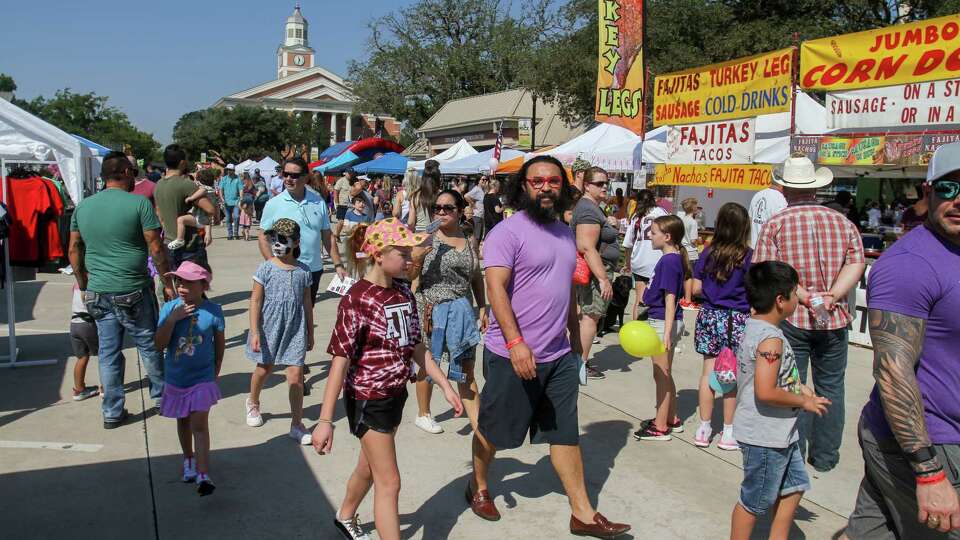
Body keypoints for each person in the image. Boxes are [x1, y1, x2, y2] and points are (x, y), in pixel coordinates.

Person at [468, 155, 630, 538]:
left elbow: (566, 293)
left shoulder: (564, 233)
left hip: (558, 356)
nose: (545, 187)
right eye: (537, 181)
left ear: (563, 186)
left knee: (564, 433)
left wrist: (575, 341)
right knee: (495, 431)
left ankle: (583, 514)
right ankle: (479, 485)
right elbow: (496, 291)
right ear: (523, 186)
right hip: (513, 354)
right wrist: (516, 343)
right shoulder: (507, 233)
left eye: (553, 181)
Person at [312, 218, 463, 540]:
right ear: (378, 254)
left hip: (396, 394)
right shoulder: (357, 298)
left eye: (412, 253)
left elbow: (416, 347)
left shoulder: (404, 292)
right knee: (390, 482)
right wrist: (325, 420)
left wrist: (445, 385)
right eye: (404, 254)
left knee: (369, 468)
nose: (412, 260)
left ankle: (345, 515)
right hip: (369, 398)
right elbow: (339, 361)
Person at [845, 143, 960, 539]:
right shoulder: (911, 264)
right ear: (927, 193)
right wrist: (929, 471)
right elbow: (893, 371)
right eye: (948, 188)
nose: (957, 200)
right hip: (933, 442)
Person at [754, 155, 865, 472]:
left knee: (791, 384)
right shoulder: (843, 222)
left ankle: (790, 451)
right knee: (832, 388)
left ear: (786, 188)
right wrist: (832, 295)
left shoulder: (776, 224)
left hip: (792, 318)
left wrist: (803, 295)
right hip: (834, 319)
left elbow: (768, 271)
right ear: (815, 188)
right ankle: (826, 455)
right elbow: (856, 263)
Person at [68, 151, 173, 429]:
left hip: (98, 291)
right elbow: (155, 245)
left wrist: (82, 283)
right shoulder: (139, 204)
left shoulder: (83, 207)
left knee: (108, 352)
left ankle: (112, 411)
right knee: (149, 346)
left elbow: (74, 249)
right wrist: (167, 281)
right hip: (133, 288)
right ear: (126, 173)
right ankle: (162, 398)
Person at [730, 261, 831, 540]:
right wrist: (804, 401)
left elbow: (774, 378)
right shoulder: (770, 340)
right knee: (754, 502)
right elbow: (765, 391)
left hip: (780, 434)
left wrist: (800, 388)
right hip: (764, 436)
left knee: (794, 485)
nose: (798, 298)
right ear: (780, 300)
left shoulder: (758, 328)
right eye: (794, 293)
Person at [412, 190, 487, 434]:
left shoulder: (468, 239)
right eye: (437, 208)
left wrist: (483, 306)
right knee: (428, 361)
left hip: (462, 311)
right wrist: (419, 255)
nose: (442, 212)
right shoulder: (426, 239)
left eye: (448, 208)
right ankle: (423, 413)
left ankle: (478, 420)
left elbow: (475, 276)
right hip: (430, 308)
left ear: (459, 211)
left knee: (466, 364)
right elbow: (411, 277)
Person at [154, 261, 224, 496]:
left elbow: (219, 344)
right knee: (183, 421)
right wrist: (173, 319)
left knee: (199, 425)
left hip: (202, 378)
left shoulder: (214, 311)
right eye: (179, 281)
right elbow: (159, 344)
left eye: (188, 282)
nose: (182, 287)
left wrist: (215, 371)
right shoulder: (169, 309)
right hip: (177, 378)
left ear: (203, 285)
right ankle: (188, 459)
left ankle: (204, 474)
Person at [245, 218, 315, 444]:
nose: (277, 243)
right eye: (273, 238)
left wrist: (310, 333)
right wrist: (255, 331)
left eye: (283, 239)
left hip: (295, 328)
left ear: (295, 242)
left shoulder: (304, 271)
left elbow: (306, 303)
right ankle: (253, 403)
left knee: (295, 375)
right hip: (269, 326)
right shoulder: (265, 268)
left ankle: (296, 423)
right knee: (264, 368)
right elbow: (255, 301)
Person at [691, 202, 752, 450]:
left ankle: (704, 427)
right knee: (731, 374)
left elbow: (695, 288)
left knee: (708, 372)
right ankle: (728, 431)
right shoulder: (748, 255)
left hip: (709, 314)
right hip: (737, 318)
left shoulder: (708, 252)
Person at [258, 157, 346, 307]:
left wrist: (338, 265)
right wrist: (273, 263)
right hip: (285, 270)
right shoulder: (273, 204)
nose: (288, 179)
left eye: (294, 175)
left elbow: (327, 237)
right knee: (285, 314)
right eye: (286, 174)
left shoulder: (318, 202)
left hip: (313, 270)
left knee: (307, 314)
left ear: (305, 178)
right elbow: (263, 238)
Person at [634, 215, 690, 441]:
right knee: (666, 374)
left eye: (653, 232)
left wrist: (666, 333)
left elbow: (670, 298)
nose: (649, 235)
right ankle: (671, 417)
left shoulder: (668, 261)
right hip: (667, 322)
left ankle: (660, 426)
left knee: (661, 375)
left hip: (662, 323)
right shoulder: (673, 258)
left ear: (667, 237)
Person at [572, 167, 619, 380]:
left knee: (588, 316)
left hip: (597, 270)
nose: (604, 187)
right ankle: (579, 364)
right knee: (591, 317)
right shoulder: (589, 210)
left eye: (606, 183)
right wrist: (602, 279)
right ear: (587, 185)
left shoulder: (593, 208)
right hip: (595, 272)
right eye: (599, 183)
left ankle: (578, 361)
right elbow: (586, 247)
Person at [154, 145, 216, 269]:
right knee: (196, 286)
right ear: (182, 162)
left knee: (177, 284)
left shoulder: (158, 186)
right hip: (190, 246)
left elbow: (160, 216)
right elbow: (210, 210)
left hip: (168, 243)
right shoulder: (186, 185)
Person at [622, 189, 667, 321]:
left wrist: (628, 263)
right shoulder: (662, 213)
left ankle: (637, 329)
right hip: (657, 260)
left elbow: (628, 244)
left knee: (639, 300)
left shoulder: (637, 216)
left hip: (640, 261)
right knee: (659, 298)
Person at [69, 283, 100, 401]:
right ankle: (105, 388)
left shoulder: (76, 285)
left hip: (74, 324)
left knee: (82, 357)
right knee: (103, 355)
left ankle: (79, 390)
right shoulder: (92, 284)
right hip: (87, 323)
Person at [166, 182, 213, 251]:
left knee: (181, 220)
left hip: (199, 219)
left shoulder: (204, 190)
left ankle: (180, 239)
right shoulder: (210, 192)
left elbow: (203, 190)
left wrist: (191, 198)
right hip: (202, 220)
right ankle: (180, 239)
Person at [748, 169, 787, 248]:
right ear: (782, 183)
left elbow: (750, 221)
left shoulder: (757, 195)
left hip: (754, 248)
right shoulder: (782, 200)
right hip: (768, 252)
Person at [677, 197, 702, 310]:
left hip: (682, 249)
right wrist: (699, 240)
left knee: (684, 274)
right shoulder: (693, 222)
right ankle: (688, 299)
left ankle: (683, 297)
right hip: (691, 251)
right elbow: (693, 240)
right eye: (696, 206)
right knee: (690, 275)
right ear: (693, 208)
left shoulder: (682, 219)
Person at [407, 161, 439, 233]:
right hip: (437, 233)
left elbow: (410, 223)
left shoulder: (415, 196)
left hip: (420, 234)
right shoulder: (442, 195)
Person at [218, 164, 242, 240]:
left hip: (236, 201)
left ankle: (236, 233)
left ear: (233, 170)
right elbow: (220, 190)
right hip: (226, 202)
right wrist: (222, 198)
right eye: (227, 169)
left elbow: (241, 189)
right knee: (228, 219)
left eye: (230, 170)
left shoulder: (238, 178)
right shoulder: (224, 179)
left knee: (236, 217)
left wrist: (241, 199)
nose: (228, 171)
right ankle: (230, 234)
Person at [465, 176, 488, 251]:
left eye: (486, 179)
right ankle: (474, 253)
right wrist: (473, 204)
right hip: (477, 215)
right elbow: (466, 196)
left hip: (481, 216)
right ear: (478, 181)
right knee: (477, 236)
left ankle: (475, 253)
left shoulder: (482, 190)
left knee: (480, 236)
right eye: (483, 179)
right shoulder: (477, 189)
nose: (485, 181)